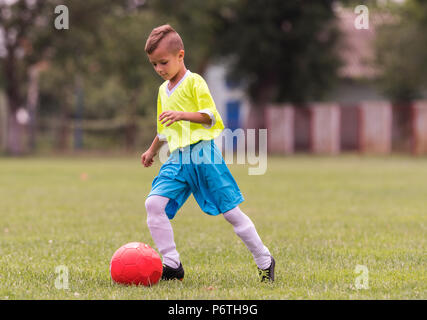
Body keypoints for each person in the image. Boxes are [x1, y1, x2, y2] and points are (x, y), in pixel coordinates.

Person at [141, 24, 275, 282]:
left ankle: (264, 259)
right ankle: (171, 264)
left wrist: (182, 115)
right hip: (177, 158)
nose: (159, 69)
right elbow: (163, 129)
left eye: (163, 62)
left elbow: (211, 117)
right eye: (154, 65)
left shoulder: (194, 82)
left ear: (181, 55)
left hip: (204, 155)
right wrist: (150, 151)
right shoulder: (162, 91)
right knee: (153, 204)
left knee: (231, 212)